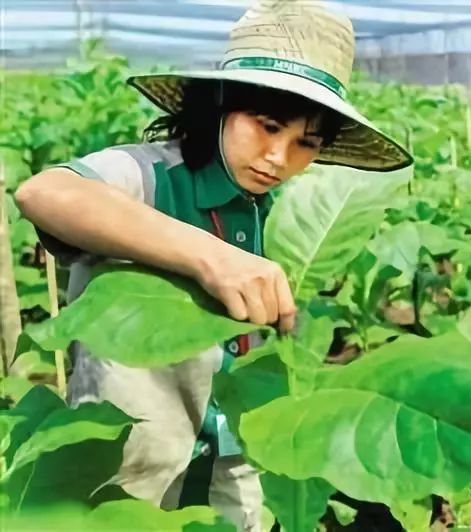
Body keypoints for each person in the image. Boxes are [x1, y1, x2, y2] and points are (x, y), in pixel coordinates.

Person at [14, 1, 413, 530]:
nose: (278, 157)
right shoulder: (149, 175)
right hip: (128, 471)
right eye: (267, 126)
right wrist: (212, 258)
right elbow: (44, 193)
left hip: (236, 468)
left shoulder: (281, 217)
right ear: (222, 104)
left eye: (306, 144)